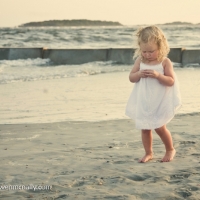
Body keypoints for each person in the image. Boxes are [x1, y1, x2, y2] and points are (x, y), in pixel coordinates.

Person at [125, 25, 181, 163]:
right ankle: (148, 153)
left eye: (151, 51)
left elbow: (171, 81)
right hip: (145, 101)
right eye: (144, 51)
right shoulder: (140, 61)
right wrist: (138, 74)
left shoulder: (164, 62)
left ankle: (170, 149)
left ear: (160, 47)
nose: (147, 54)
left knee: (160, 127)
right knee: (145, 128)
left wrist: (157, 75)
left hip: (160, 100)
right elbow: (131, 78)